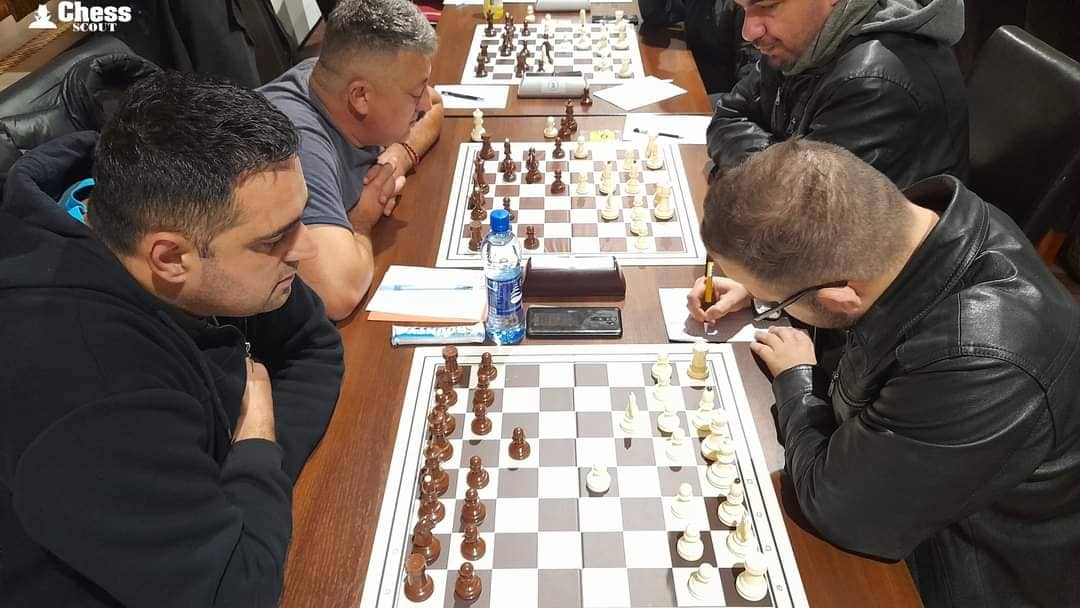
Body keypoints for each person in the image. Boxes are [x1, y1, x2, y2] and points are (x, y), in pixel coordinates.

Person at [0, 72, 344, 607]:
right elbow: (237, 593)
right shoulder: (84, 383)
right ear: (170, 258)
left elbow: (314, 343)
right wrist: (254, 439)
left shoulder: (176, 217)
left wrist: (245, 477)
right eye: (277, 238)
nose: (306, 250)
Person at [688, 139, 1080, 607]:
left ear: (841, 293)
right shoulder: (916, 228)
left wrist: (796, 377)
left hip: (957, 568)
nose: (771, 306)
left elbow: (836, 507)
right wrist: (762, 287)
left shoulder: (980, 360)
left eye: (779, 301)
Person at [259, 0, 444, 320]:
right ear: (360, 97)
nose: (424, 101)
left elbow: (437, 106)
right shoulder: (295, 148)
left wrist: (399, 156)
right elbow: (338, 293)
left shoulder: (326, 76)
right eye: (415, 94)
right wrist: (361, 220)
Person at [706, 0, 969, 188]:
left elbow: (799, 212)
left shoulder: (874, 81)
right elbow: (728, 115)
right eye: (744, 8)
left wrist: (751, 163)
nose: (748, 32)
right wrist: (777, 163)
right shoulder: (799, 43)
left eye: (768, 5)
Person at [639, 0, 757, 96]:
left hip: (727, 96)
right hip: (698, 83)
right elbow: (656, 15)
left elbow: (751, 77)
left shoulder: (742, 5)